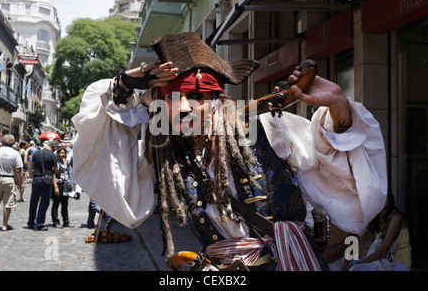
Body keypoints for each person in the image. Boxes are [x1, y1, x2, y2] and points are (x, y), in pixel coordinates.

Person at [72, 32, 387, 270]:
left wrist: (337, 105)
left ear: (215, 100)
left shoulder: (268, 129)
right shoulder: (163, 157)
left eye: (196, 95)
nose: (183, 107)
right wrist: (125, 82)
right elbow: (103, 151)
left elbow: (340, 166)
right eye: (171, 97)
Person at [345, 192, 412, 271]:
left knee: (355, 268)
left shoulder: (396, 217)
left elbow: (383, 251)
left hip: (399, 262)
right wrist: (345, 264)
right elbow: (357, 240)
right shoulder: (374, 219)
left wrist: (359, 263)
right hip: (381, 262)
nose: (383, 199)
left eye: (385, 197)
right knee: (348, 264)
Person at [27, 139, 60, 231]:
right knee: (44, 202)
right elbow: (56, 170)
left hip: (36, 178)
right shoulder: (52, 155)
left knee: (34, 201)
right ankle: (39, 223)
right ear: (55, 148)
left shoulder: (37, 153)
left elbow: (32, 166)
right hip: (46, 179)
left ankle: (30, 222)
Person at [51, 147, 73, 228]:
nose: (63, 155)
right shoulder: (56, 163)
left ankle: (66, 222)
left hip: (65, 185)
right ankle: (56, 221)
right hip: (58, 184)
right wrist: (56, 187)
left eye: (64, 153)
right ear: (57, 154)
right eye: (61, 153)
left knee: (65, 204)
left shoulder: (65, 162)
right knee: (56, 203)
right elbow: (53, 175)